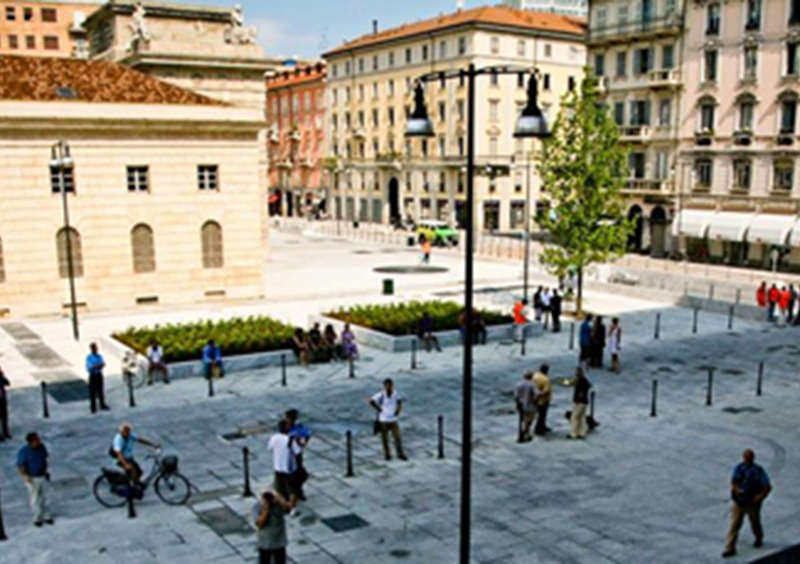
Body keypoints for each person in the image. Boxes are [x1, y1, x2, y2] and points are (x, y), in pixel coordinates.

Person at [722, 449, 772, 558]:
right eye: (745, 457)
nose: (746, 459)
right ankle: (730, 548)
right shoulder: (739, 468)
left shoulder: (758, 471)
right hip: (740, 501)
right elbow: (734, 481)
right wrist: (735, 490)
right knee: (734, 525)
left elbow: (767, 486)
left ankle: (758, 537)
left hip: (752, 502)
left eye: (749, 457)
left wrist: (759, 497)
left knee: (755, 522)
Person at [17, 432, 53, 526]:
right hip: (32, 477)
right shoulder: (24, 452)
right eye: (36, 440)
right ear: (31, 442)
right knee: (35, 498)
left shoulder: (42, 448)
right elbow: (20, 466)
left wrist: (46, 471)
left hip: (42, 475)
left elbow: (45, 459)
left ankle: (47, 515)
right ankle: (37, 518)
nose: (38, 441)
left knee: (46, 496)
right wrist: (25, 476)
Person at [369, 378, 407, 461]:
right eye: (388, 385)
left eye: (391, 385)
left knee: (397, 437)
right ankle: (387, 454)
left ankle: (400, 453)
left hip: (393, 419)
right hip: (384, 420)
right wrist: (379, 408)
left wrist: (398, 410)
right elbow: (371, 401)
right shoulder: (381, 394)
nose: (389, 387)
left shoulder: (396, 393)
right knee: (385, 439)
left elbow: (399, 402)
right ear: (385, 386)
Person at [268, 419, 301, 507]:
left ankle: (284, 504)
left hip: (278, 466)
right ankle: (291, 506)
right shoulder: (290, 440)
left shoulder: (274, 438)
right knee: (292, 489)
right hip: (290, 468)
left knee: (279, 488)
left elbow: (270, 448)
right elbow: (298, 451)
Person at [253, 489, 292, 564]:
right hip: (265, 542)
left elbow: (288, 509)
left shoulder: (278, 505)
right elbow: (259, 523)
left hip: (279, 541)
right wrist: (266, 510)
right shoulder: (258, 506)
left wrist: (281, 501)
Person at [285, 409, 311, 502]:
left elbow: (307, 434)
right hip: (288, 454)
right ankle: (293, 492)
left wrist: (303, 443)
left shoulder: (297, 427)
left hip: (296, 453)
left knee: (300, 474)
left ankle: (297, 491)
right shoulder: (285, 427)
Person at [86, 343, 110, 413]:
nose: (96, 349)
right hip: (93, 375)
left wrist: (99, 365)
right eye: (95, 348)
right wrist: (96, 366)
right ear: (92, 349)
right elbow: (89, 367)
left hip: (99, 374)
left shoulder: (99, 356)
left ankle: (102, 404)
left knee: (100, 390)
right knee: (92, 392)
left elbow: (102, 363)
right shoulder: (89, 357)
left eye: (96, 348)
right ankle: (93, 407)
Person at [514, 371, 537, 442]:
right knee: (530, 419)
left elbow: (516, 396)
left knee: (523, 420)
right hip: (530, 405)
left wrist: (517, 404)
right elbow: (537, 394)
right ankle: (526, 433)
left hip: (521, 404)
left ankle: (525, 433)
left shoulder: (518, 384)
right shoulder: (532, 385)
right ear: (531, 377)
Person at [569, 367, 592, 439]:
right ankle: (582, 433)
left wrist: (577, 401)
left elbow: (581, 392)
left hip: (580, 402)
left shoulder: (581, 381)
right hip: (585, 402)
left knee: (575, 417)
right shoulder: (585, 381)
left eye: (577, 372)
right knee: (582, 418)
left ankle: (573, 433)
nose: (576, 374)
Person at [533, 364, 552, 436]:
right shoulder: (546, 379)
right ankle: (539, 428)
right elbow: (546, 390)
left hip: (535, 398)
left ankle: (542, 426)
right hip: (543, 400)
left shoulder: (535, 376)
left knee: (539, 414)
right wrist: (540, 395)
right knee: (542, 415)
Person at [0, 365, 10, 441]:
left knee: (4, 417)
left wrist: (3, 377)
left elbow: (7, 383)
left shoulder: (1, 377)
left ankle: (5, 432)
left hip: (2, 399)